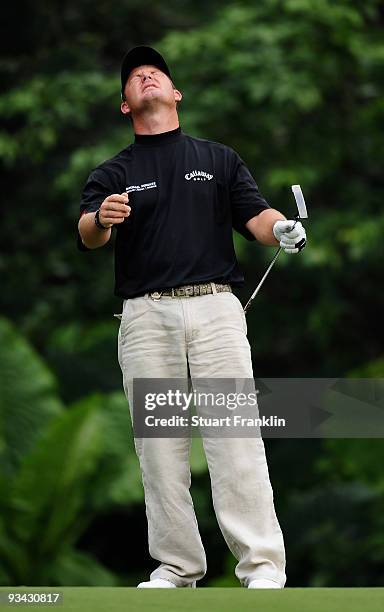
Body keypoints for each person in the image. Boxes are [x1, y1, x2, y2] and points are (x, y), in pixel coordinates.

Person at [78, 46, 306, 589]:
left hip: (216, 309)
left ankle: (262, 566)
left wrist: (280, 229)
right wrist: (101, 218)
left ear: (175, 93)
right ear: (125, 105)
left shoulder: (218, 158)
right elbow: (89, 232)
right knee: (159, 447)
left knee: (235, 435)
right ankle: (177, 567)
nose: (146, 75)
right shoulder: (113, 172)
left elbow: (254, 214)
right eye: (134, 76)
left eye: (154, 71)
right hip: (145, 316)